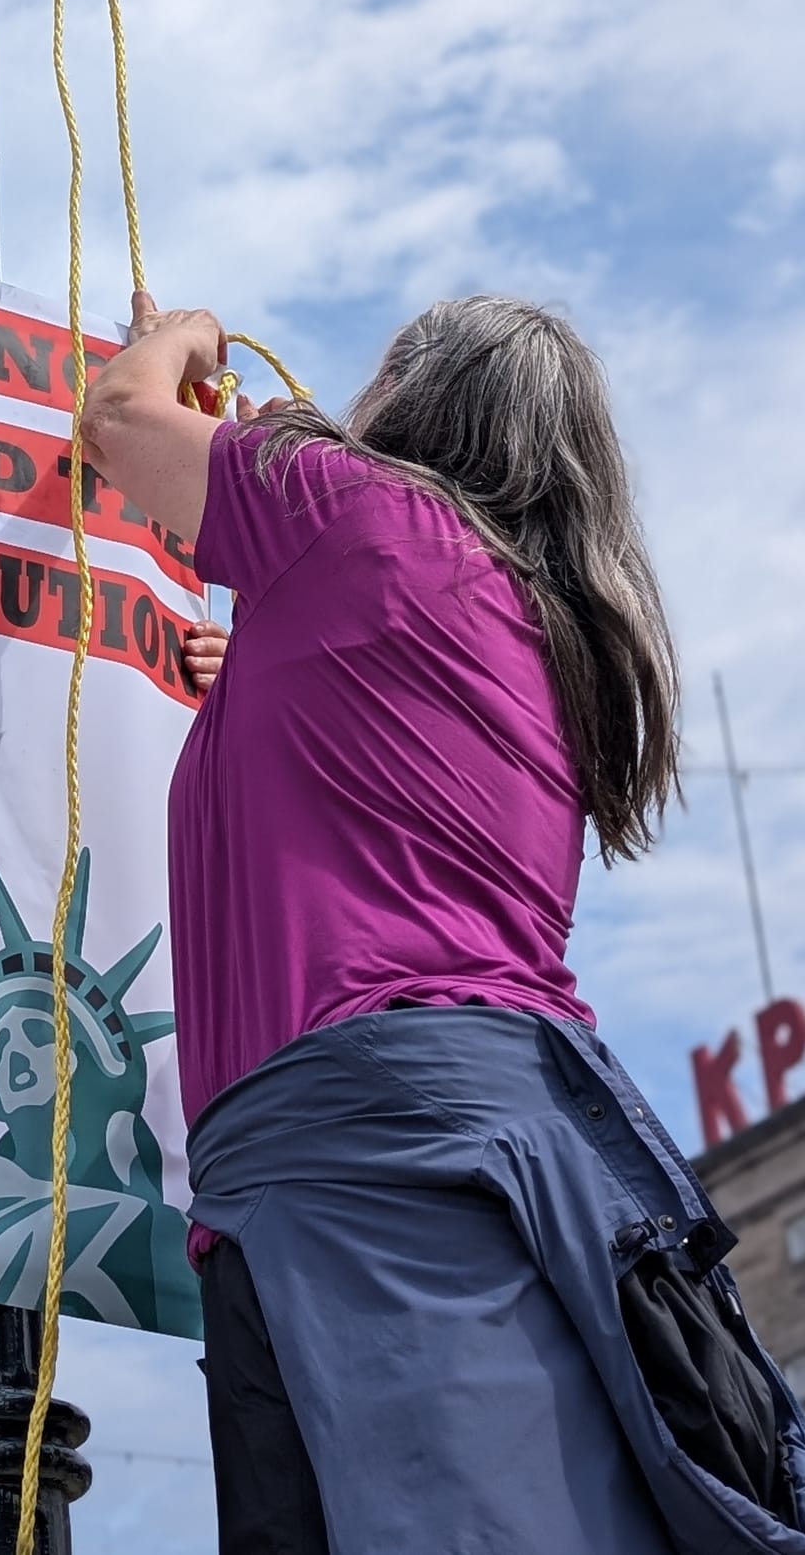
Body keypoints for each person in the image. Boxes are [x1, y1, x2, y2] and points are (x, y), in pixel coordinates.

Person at [80, 294, 805, 1555]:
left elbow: (119, 419)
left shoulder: (350, 512)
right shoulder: (528, 617)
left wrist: (182, 333)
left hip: (373, 1158)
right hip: (416, 1147)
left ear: (407, 397)